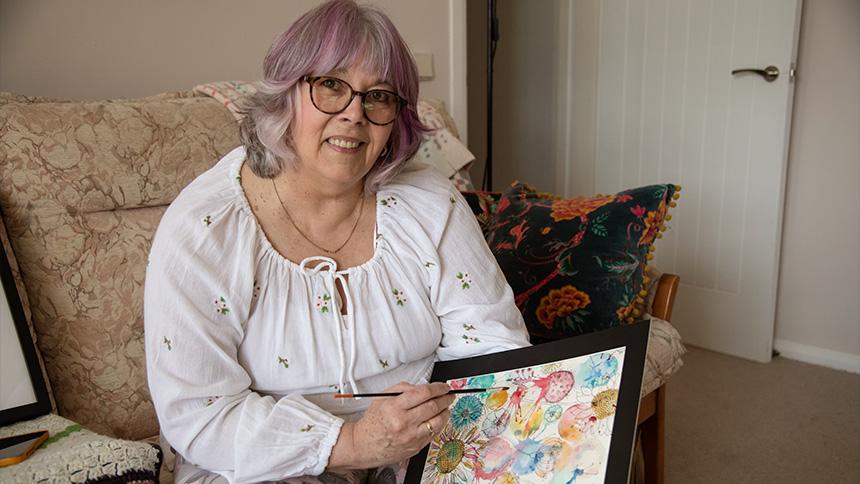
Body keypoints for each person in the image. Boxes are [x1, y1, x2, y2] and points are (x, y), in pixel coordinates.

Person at [144, 1, 530, 482]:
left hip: (422, 446)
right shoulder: (206, 229)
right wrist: (351, 443)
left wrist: (440, 435)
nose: (354, 114)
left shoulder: (429, 200)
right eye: (331, 85)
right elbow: (197, 413)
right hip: (267, 466)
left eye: (379, 96)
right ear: (285, 95)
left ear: (394, 119)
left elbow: (495, 347)